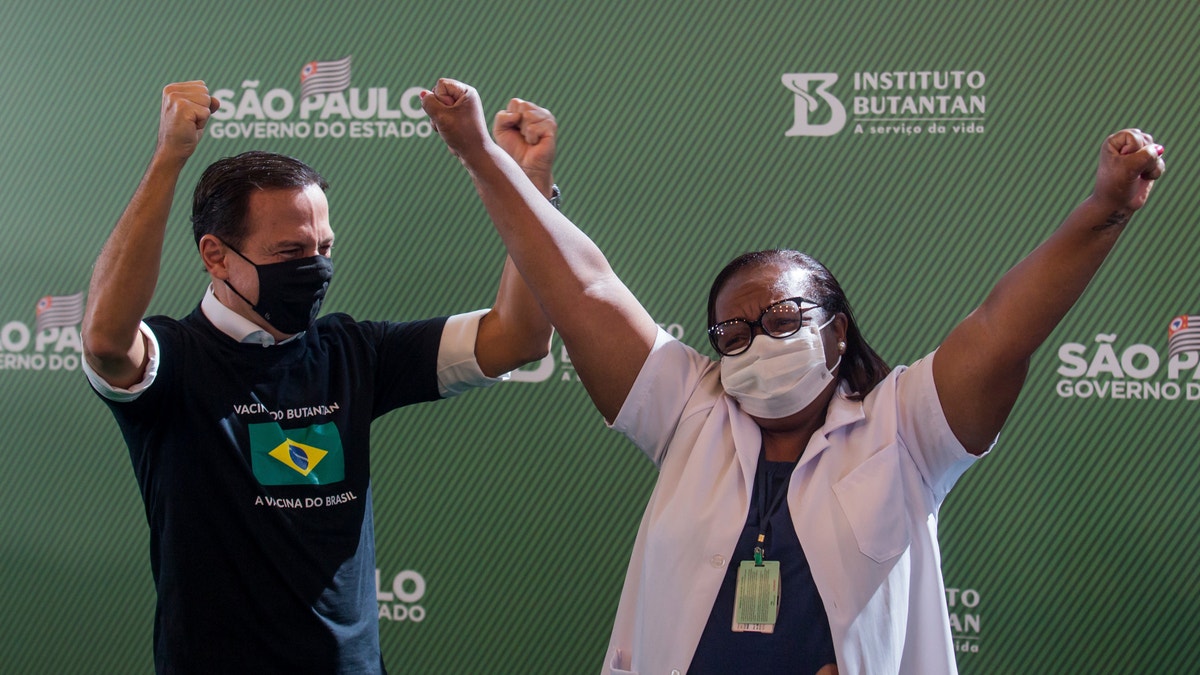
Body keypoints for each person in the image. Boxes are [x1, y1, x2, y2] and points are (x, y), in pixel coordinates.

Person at [419, 78, 1167, 674]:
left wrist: (1104, 208)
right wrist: (484, 158)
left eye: (782, 320)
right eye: (732, 332)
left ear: (835, 331)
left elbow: (1005, 329)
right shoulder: (689, 408)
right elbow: (584, 290)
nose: (756, 342)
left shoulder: (905, 425)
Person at [81, 81, 555, 674]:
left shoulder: (353, 352)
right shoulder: (173, 360)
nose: (314, 268)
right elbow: (104, 340)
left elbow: (520, 337)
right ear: (215, 254)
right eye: (289, 252)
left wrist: (526, 186)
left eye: (323, 247)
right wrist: (169, 157)